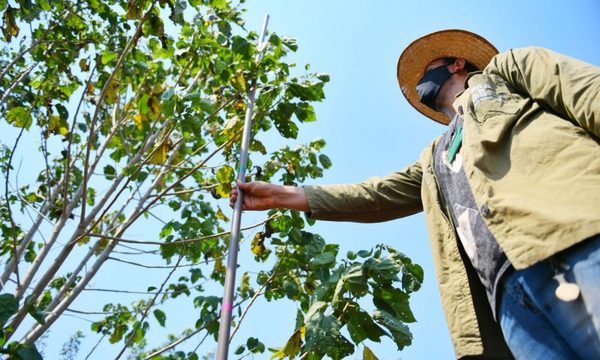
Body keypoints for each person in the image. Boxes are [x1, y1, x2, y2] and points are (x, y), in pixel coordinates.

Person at [229, 29, 600, 359]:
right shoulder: (434, 156)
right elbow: (375, 194)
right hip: (508, 301)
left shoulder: (508, 71)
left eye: (427, 70)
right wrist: (284, 196)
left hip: (573, 235)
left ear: (456, 63)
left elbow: (589, 95)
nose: (421, 80)